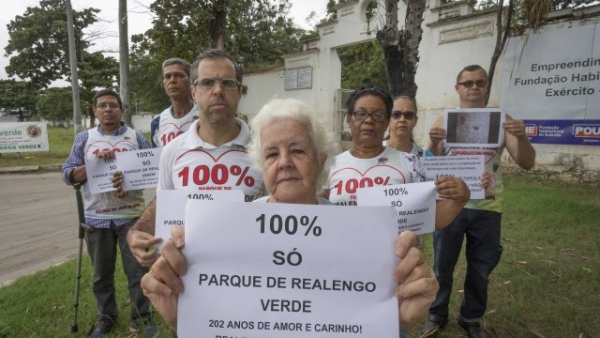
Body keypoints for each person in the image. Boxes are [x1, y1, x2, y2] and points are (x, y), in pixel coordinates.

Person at [140, 98, 440, 334]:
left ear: (322, 160)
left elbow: (361, 321)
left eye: (297, 150)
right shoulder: (223, 233)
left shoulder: (363, 236)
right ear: (261, 165)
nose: (283, 163)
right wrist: (183, 316)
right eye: (271, 154)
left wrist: (395, 319)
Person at [422, 65, 536, 338]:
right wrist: (432, 144)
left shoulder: (501, 120)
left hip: (488, 207)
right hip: (450, 206)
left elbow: (527, 163)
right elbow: (428, 165)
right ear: (457, 88)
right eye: (468, 83)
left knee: (481, 268)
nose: (474, 87)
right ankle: (437, 314)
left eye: (480, 83)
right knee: (442, 266)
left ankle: (471, 318)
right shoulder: (442, 121)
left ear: (486, 87)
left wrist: (521, 136)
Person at [124, 49, 264, 267]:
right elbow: (165, 201)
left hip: (248, 275)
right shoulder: (172, 151)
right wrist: (138, 231)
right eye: (207, 82)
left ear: (239, 91)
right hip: (190, 281)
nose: (218, 90)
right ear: (193, 92)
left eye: (227, 83)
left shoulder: (264, 150)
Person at [61, 89, 157, 338]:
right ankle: (106, 318)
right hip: (97, 218)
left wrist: (129, 183)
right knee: (101, 275)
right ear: (94, 111)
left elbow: (150, 173)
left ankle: (142, 317)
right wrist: (92, 165)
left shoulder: (137, 138)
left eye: (113, 105)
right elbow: (68, 175)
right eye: (102, 105)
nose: (107, 110)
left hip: (131, 218)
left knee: (137, 272)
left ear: (122, 110)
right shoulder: (84, 139)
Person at [323, 86, 471, 230]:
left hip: (397, 254)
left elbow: (429, 218)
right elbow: (319, 214)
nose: (368, 120)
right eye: (361, 114)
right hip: (344, 252)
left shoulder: (409, 163)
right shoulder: (331, 165)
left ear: (387, 122)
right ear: (349, 119)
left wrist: (459, 199)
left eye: (378, 115)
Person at [150, 57, 198, 147]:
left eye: (179, 75)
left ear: (191, 81)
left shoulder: (205, 116)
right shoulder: (157, 122)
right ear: (163, 83)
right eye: (167, 76)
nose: (172, 80)